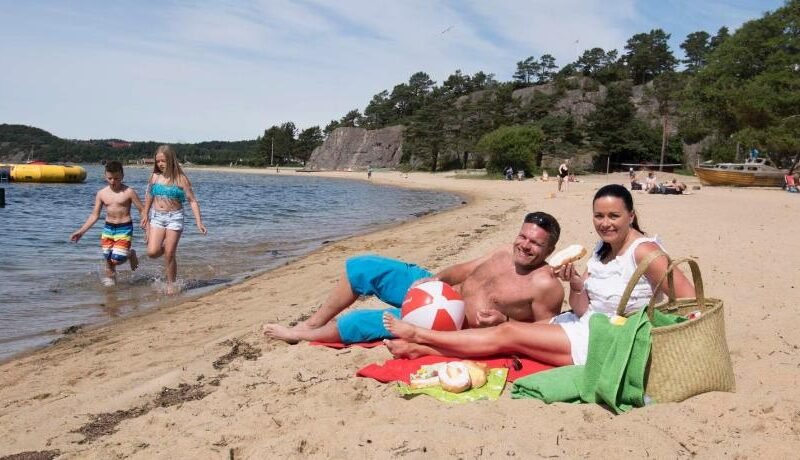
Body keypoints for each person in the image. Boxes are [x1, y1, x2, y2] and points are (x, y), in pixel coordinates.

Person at [382, 184, 694, 366]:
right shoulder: (602, 248)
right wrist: (574, 283)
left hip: (608, 340)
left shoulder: (644, 251)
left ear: (631, 215)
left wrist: (663, 335)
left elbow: (689, 298)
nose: (605, 223)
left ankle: (421, 337)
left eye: (614, 216)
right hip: (584, 323)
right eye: (599, 216)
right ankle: (424, 348)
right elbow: (584, 306)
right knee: (508, 339)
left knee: (507, 334)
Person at [262, 212, 566, 344]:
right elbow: (461, 270)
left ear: (549, 248)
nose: (525, 245)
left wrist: (504, 324)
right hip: (438, 290)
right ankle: (314, 322)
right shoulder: (503, 252)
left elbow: (545, 330)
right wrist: (431, 278)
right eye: (523, 237)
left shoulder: (545, 285)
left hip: (450, 320)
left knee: (362, 323)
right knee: (363, 266)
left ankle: (301, 335)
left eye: (535, 243)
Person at [142, 145, 207, 294]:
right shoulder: (154, 177)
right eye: (158, 161)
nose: (160, 164)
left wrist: (199, 222)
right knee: (152, 252)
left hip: (175, 217)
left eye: (163, 161)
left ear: (171, 160)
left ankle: (171, 284)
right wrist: (145, 214)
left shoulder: (181, 179)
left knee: (170, 253)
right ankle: (167, 249)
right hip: (157, 217)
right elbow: (149, 196)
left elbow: (192, 201)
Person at [70, 161, 145, 287]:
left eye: (116, 178)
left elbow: (142, 210)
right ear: (105, 176)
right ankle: (111, 288)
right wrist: (81, 231)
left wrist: (147, 228)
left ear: (122, 176)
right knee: (108, 257)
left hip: (124, 227)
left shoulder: (128, 192)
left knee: (116, 259)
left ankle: (130, 254)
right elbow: (94, 215)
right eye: (110, 178)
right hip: (108, 228)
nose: (113, 181)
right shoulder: (102, 193)